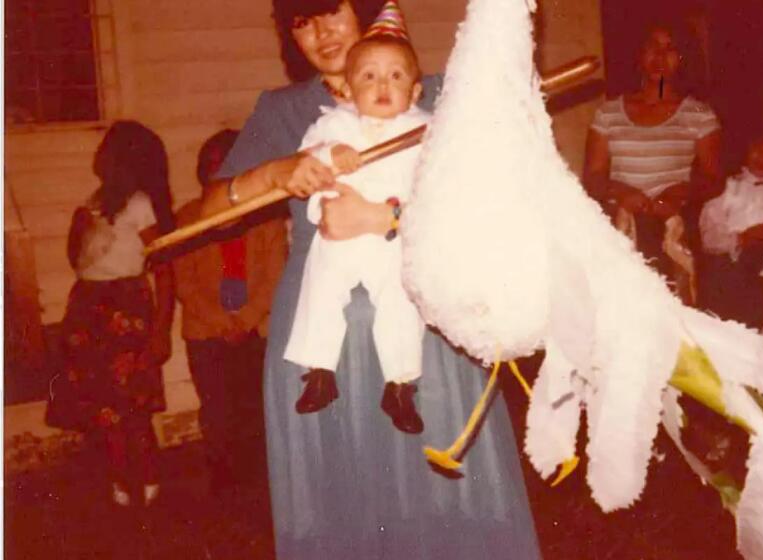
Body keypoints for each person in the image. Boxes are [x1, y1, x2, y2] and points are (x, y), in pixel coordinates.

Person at [203, 1, 541, 558]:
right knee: (339, 497)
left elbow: (494, 202)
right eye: (302, 22)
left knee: (443, 490)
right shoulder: (285, 110)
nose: (320, 33)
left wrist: (386, 218)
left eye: (332, 12)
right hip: (319, 341)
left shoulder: (434, 94)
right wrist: (273, 173)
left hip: (426, 319)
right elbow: (206, 212)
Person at [284, 22, 428, 434]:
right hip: (339, 237)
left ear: (415, 92)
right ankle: (319, 371)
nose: (383, 84)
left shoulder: (425, 131)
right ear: (348, 89)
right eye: (368, 76)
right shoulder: (334, 126)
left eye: (396, 76)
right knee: (321, 288)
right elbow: (306, 161)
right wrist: (332, 154)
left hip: (392, 240)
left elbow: (436, 189)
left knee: (402, 301)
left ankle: (400, 384)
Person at [60, 120, 176, 507]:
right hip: (88, 309)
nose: (100, 154)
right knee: (103, 408)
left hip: (125, 309)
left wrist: (161, 331)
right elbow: (78, 261)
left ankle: (149, 481)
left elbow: (163, 268)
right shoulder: (94, 201)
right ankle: (119, 484)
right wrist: (76, 229)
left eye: (109, 147)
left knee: (134, 407)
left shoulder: (140, 203)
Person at [173, 129, 287, 494]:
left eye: (228, 163)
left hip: (256, 328)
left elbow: (275, 274)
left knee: (255, 405)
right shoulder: (187, 218)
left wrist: (246, 320)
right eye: (211, 165)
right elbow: (184, 283)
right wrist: (224, 323)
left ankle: (260, 478)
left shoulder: (265, 217)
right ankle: (223, 478)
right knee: (218, 408)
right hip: (207, 331)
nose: (219, 171)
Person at [583, 20, 721, 305]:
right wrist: (619, 191)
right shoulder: (608, 113)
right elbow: (593, 177)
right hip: (621, 228)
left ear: (681, 58)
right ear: (639, 54)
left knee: (672, 318)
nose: (660, 56)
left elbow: (713, 179)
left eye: (670, 49)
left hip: (671, 228)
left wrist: (679, 192)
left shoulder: (699, 114)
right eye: (652, 47)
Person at [697, 125, 763, 327]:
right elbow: (709, 238)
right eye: (757, 146)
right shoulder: (727, 188)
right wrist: (744, 237)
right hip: (731, 267)